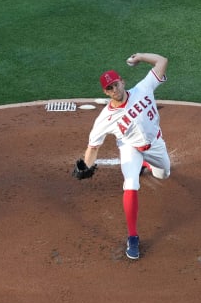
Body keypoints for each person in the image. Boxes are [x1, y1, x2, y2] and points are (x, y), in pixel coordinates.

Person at [73, 52, 171, 260]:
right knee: (130, 184)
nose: (114, 89)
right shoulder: (104, 119)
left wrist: (141, 57)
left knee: (164, 175)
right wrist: (85, 165)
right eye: (109, 88)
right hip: (130, 148)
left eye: (116, 84)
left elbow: (162, 61)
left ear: (122, 82)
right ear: (105, 92)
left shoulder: (143, 88)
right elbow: (93, 147)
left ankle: (148, 164)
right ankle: (133, 237)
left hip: (155, 145)